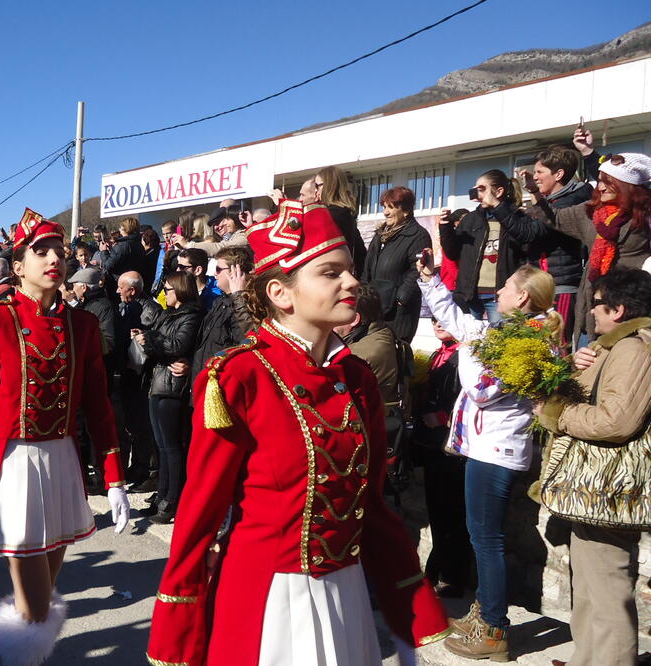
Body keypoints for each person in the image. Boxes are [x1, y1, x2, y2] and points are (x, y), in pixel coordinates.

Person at [147, 200, 449, 666]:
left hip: (345, 589)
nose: (351, 282)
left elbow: (370, 504)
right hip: (269, 596)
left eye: (350, 270)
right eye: (330, 273)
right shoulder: (238, 376)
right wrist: (178, 621)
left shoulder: (357, 377)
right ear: (281, 293)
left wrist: (407, 607)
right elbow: (202, 509)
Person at [0, 208, 129, 666]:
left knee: (48, 578)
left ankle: (24, 650)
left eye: (58, 252)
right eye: (39, 252)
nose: (53, 259)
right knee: (38, 604)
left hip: (62, 460)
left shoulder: (82, 326)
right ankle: (24, 657)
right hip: (14, 465)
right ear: (18, 266)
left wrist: (115, 477)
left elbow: (99, 408)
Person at [415, 253, 561, 661]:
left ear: (525, 298)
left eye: (507, 287)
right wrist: (429, 280)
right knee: (482, 536)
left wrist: (467, 347)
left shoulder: (528, 343)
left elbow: (481, 389)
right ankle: (486, 612)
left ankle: (494, 629)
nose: (497, 291)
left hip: (496, 452)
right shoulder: (510, 334)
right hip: (487, 447)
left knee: (486, 539)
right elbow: (461, 322)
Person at [534, 268, 651, 666]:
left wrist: (561, 414)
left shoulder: (633, 350)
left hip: (610, 492)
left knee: (607, 594)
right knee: (588, 589)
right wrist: (577, 368)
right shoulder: (613, 348)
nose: (591, 314)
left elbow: (617, 421)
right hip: (595, 491)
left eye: (598, 305)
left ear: (618, 310)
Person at [520, 152, 651, 347]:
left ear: (627, 185)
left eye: (609, 182)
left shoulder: (645, 213)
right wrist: (535, 193)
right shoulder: (591, 212)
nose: (601, 187)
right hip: (594, 299)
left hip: (634, 299)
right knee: (589, 355)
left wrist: (589, 153)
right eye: (599, 181)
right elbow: (553, 217)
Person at [133, 271, 202, 524]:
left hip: (173, 387)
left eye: (168, 289)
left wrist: (148, 339)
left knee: (172, 447)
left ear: (181, 291)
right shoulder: (171, 314)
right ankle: (161, 496)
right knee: (161, 446)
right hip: (158, 382)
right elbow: (164, 340)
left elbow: (178, 345)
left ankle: (172, 500)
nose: (165, 294)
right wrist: (145, 335)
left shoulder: (192, 315)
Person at [409, 317, 471, 599]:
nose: (437, 323)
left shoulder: (465, 355)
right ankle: (437, 569)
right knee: (438, 512)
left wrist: (444, 418)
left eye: (444, 317)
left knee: (453, 512)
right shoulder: (438, 354)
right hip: (433, 443)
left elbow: (466, 398)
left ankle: (452, 576)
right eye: (433, 318)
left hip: (452, 445)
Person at [438, 170, 530, 321]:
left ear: (499, 191)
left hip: (501, 294)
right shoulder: (471, 219)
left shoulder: (516, 218)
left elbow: (524, 252)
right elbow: (453, 252)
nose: (476, 194)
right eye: (475, 189)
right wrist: (445, 227)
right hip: (471, 295)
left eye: (481, 189)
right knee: (471, 340)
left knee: (497, 340)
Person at [523, 145, 590, 338]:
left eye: (539, 172)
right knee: (537, 347)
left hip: (562, 287)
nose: (534, 177)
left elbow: (547, 224)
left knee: (559, 346)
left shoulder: (575, 199)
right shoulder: (544, 202)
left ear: (559, 174)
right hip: (539, 286)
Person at [363, 186, 432, 342]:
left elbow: (418, 271)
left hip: (398, 314)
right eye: (384, 207)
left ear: (406, 210)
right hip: (375, 309)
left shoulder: (418, 235)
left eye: (391, 207)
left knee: (395, 357)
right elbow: (367, 268)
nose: (385, 212)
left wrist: (400, 299)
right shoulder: (380, 234)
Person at [115, 271, 162, 488]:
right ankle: (139, 465)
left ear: (132, 290)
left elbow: (152, 340)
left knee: (145, 425)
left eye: (120, 287)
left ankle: (151, 470)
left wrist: (142, 336)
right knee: (134, 424)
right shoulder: (127, 306)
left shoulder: (148, 309)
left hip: (144, 377)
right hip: (130, 374)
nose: (117, 291)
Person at [188, 245, 253, 389]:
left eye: (218, 269)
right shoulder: (220, 301)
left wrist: (239, 297)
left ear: (235, 271)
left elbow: (248, 339)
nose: (214, 274)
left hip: (223, 385)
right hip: (205, 381)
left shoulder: (249, 303)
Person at [314, 166, 368, 274]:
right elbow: (360, 253)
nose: (315, 190)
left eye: (318, 185)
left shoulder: (332, 214)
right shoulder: (345, 213)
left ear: (330, 186)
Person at [174, 206, 249, 257]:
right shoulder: (228, 238)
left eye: (228, 219)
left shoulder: (243, 236)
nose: (216, 227)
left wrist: (188, 245)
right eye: (214, 225)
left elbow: (220, 248)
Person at [101, 216, 144, 285]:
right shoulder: (139, 244)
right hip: (134, 281)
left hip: (119, 282)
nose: (119, 229)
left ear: (126, 229)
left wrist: (104, 251)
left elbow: (108, 266)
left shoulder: (122, 245)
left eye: (121, 227)